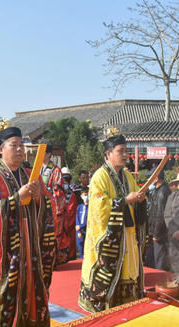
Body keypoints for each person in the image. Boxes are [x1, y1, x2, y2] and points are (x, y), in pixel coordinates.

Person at [0, 125, 56, 327]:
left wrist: (40, 200)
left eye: (22, 146)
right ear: (1, 150)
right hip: (7, 256)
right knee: (6, 299)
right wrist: (15, 200)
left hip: (31, 252)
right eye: (14, 146)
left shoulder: (31, 175)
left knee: (33, 293)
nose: (20, 150)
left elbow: (49, 205)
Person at [78, 127, 147, 313]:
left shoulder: (127, 177)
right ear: (108, 154)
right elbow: (98, 206)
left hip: (127, 236)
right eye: (121, 151)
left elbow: (135, 198)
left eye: (126, 151)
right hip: (110, 240)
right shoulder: (100, 176)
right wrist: (124, 201)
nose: (126, 155)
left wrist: (140, 200)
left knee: (128, 276)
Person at [41, 144, 68, 264]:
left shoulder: (55, 170)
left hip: (52, 207)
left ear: (48, 154)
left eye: (42, 152)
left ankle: (53, 260)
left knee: (54, 234)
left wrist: (47, 195)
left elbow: (58, 191)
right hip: (39, 206)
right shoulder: (37, 169)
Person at [147, 170, 171, 270]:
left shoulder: (163, 191)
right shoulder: (157, 190)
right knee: (152, 258)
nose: (148, 179)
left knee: (159, 259)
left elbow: (160, 214)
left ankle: (159, 281)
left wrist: (156, 233)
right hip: (154, 231)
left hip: (159, 233)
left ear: (156, 178)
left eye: (150, 177)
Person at [61, 167, 78, 260]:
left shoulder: (72, 194)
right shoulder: (58, 193)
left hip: (68, 226)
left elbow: (71, 211)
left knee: (70, 241)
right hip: (60, 225)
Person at [75, 188, 89, 258]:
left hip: (87, 230)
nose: (86, 196)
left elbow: (89, 220)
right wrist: (78, 230)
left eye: (87, 195)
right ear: (81, 196)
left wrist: (80, 226)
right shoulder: (79, 207)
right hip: (80, 231)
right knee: (80, 250)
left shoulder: (90, 207)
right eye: (85, 195)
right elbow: (77, 218)